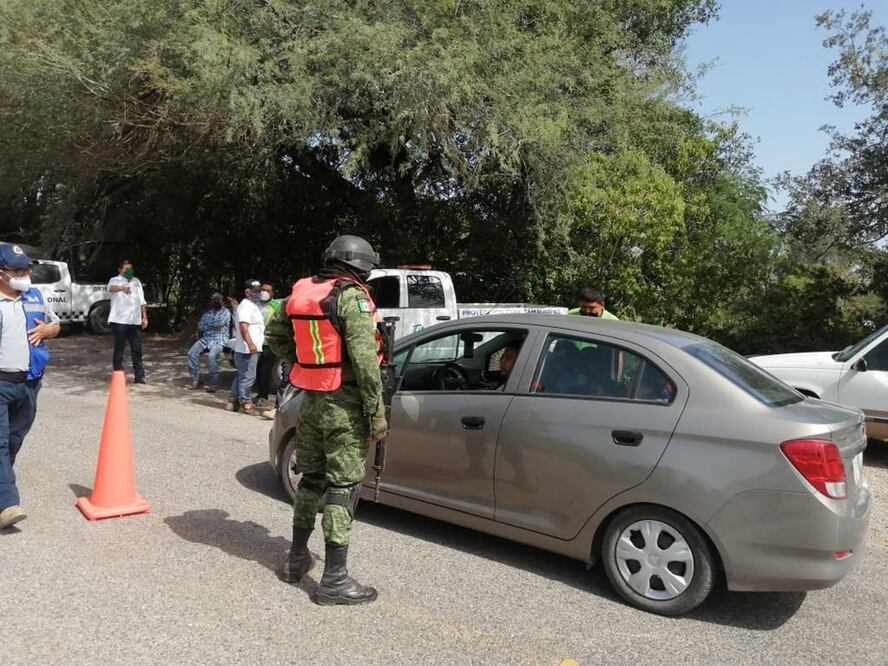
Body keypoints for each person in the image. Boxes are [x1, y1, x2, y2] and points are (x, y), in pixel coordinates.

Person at [265, 235, 387, 605]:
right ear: (360, 267)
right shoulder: (351, 297)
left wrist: (304, 364)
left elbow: (273, 335)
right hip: (344, 403)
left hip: (311, 399)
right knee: (343, 485)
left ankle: (295, 559)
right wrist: (376, 411)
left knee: (311, 479)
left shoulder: (301, 292)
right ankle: (334, 579)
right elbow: (366, 363)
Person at [0, 243, 60, 529]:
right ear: (1, 273)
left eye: (26, 269)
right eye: (17, 270)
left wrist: (50, 330)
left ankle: (2, 482)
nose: (24, 274)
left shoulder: (35, 294)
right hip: (1, 382)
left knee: (14, 439)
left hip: (30, 382)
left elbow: (56, 324)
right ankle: (7, 503)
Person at [226, 279, 265, 414]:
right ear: (247, 292)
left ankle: (232, 400)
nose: (258, 294)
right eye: (255, 291)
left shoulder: (251, 306)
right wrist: (250, 344)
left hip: (247, 348)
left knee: (242, 375)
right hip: (247, 349)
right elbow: (243, 327)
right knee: (248, 376)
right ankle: (245, 403)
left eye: (259, 291)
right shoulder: (246, 306)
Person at [107, 259, 148, 384]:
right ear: (120, 270)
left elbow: (142, 301)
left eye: (131, 269)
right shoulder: (115, 280)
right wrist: (121, 288)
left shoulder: (136, 281)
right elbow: (111, 289)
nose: (129, 271)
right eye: (126, 269)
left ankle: (139, 376)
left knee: (137, 349)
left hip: (134, 321)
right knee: (119, 348)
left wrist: (144, 317)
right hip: (120, 320)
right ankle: (118, 374)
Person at [186, 293, 231, 392]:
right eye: (215, 300)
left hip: (220, 340)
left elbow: (220, 323)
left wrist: (209, 325)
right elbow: (200, 326)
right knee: (191, 353)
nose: (217, 302)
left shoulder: (226, 312)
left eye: (218, 300)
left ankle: (213, 383)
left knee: (211, 356)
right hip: (206, 338)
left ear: (222, 301)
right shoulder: (207, 313)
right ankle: (195, 380)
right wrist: (213, 326)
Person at [253, 283, 279, 406]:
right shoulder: (254, 304)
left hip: (269, 342)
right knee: (255, 369)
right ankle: (258, 393)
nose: (264, 292)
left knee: (266, 370)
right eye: (262, 290)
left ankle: (263, 396)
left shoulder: (276, 305)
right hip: (254, 342)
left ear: (272, 293)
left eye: (267, 290)